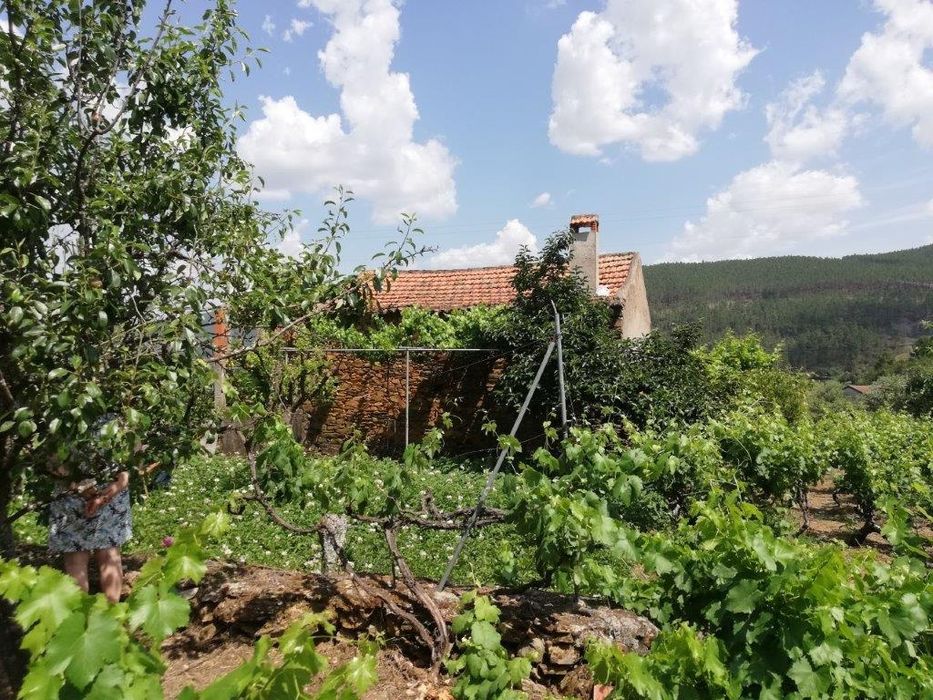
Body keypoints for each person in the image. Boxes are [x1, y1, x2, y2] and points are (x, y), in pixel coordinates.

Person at [48, 415, 133, 602]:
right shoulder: (120, 413)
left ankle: (78, 622)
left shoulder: (63, 412)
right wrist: (107, 494)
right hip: (110, 496)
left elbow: (53, 462)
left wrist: (81, 488)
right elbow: (131, 461)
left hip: (72, 494)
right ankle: (112, 621)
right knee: (110, 556)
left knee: (75, 561)